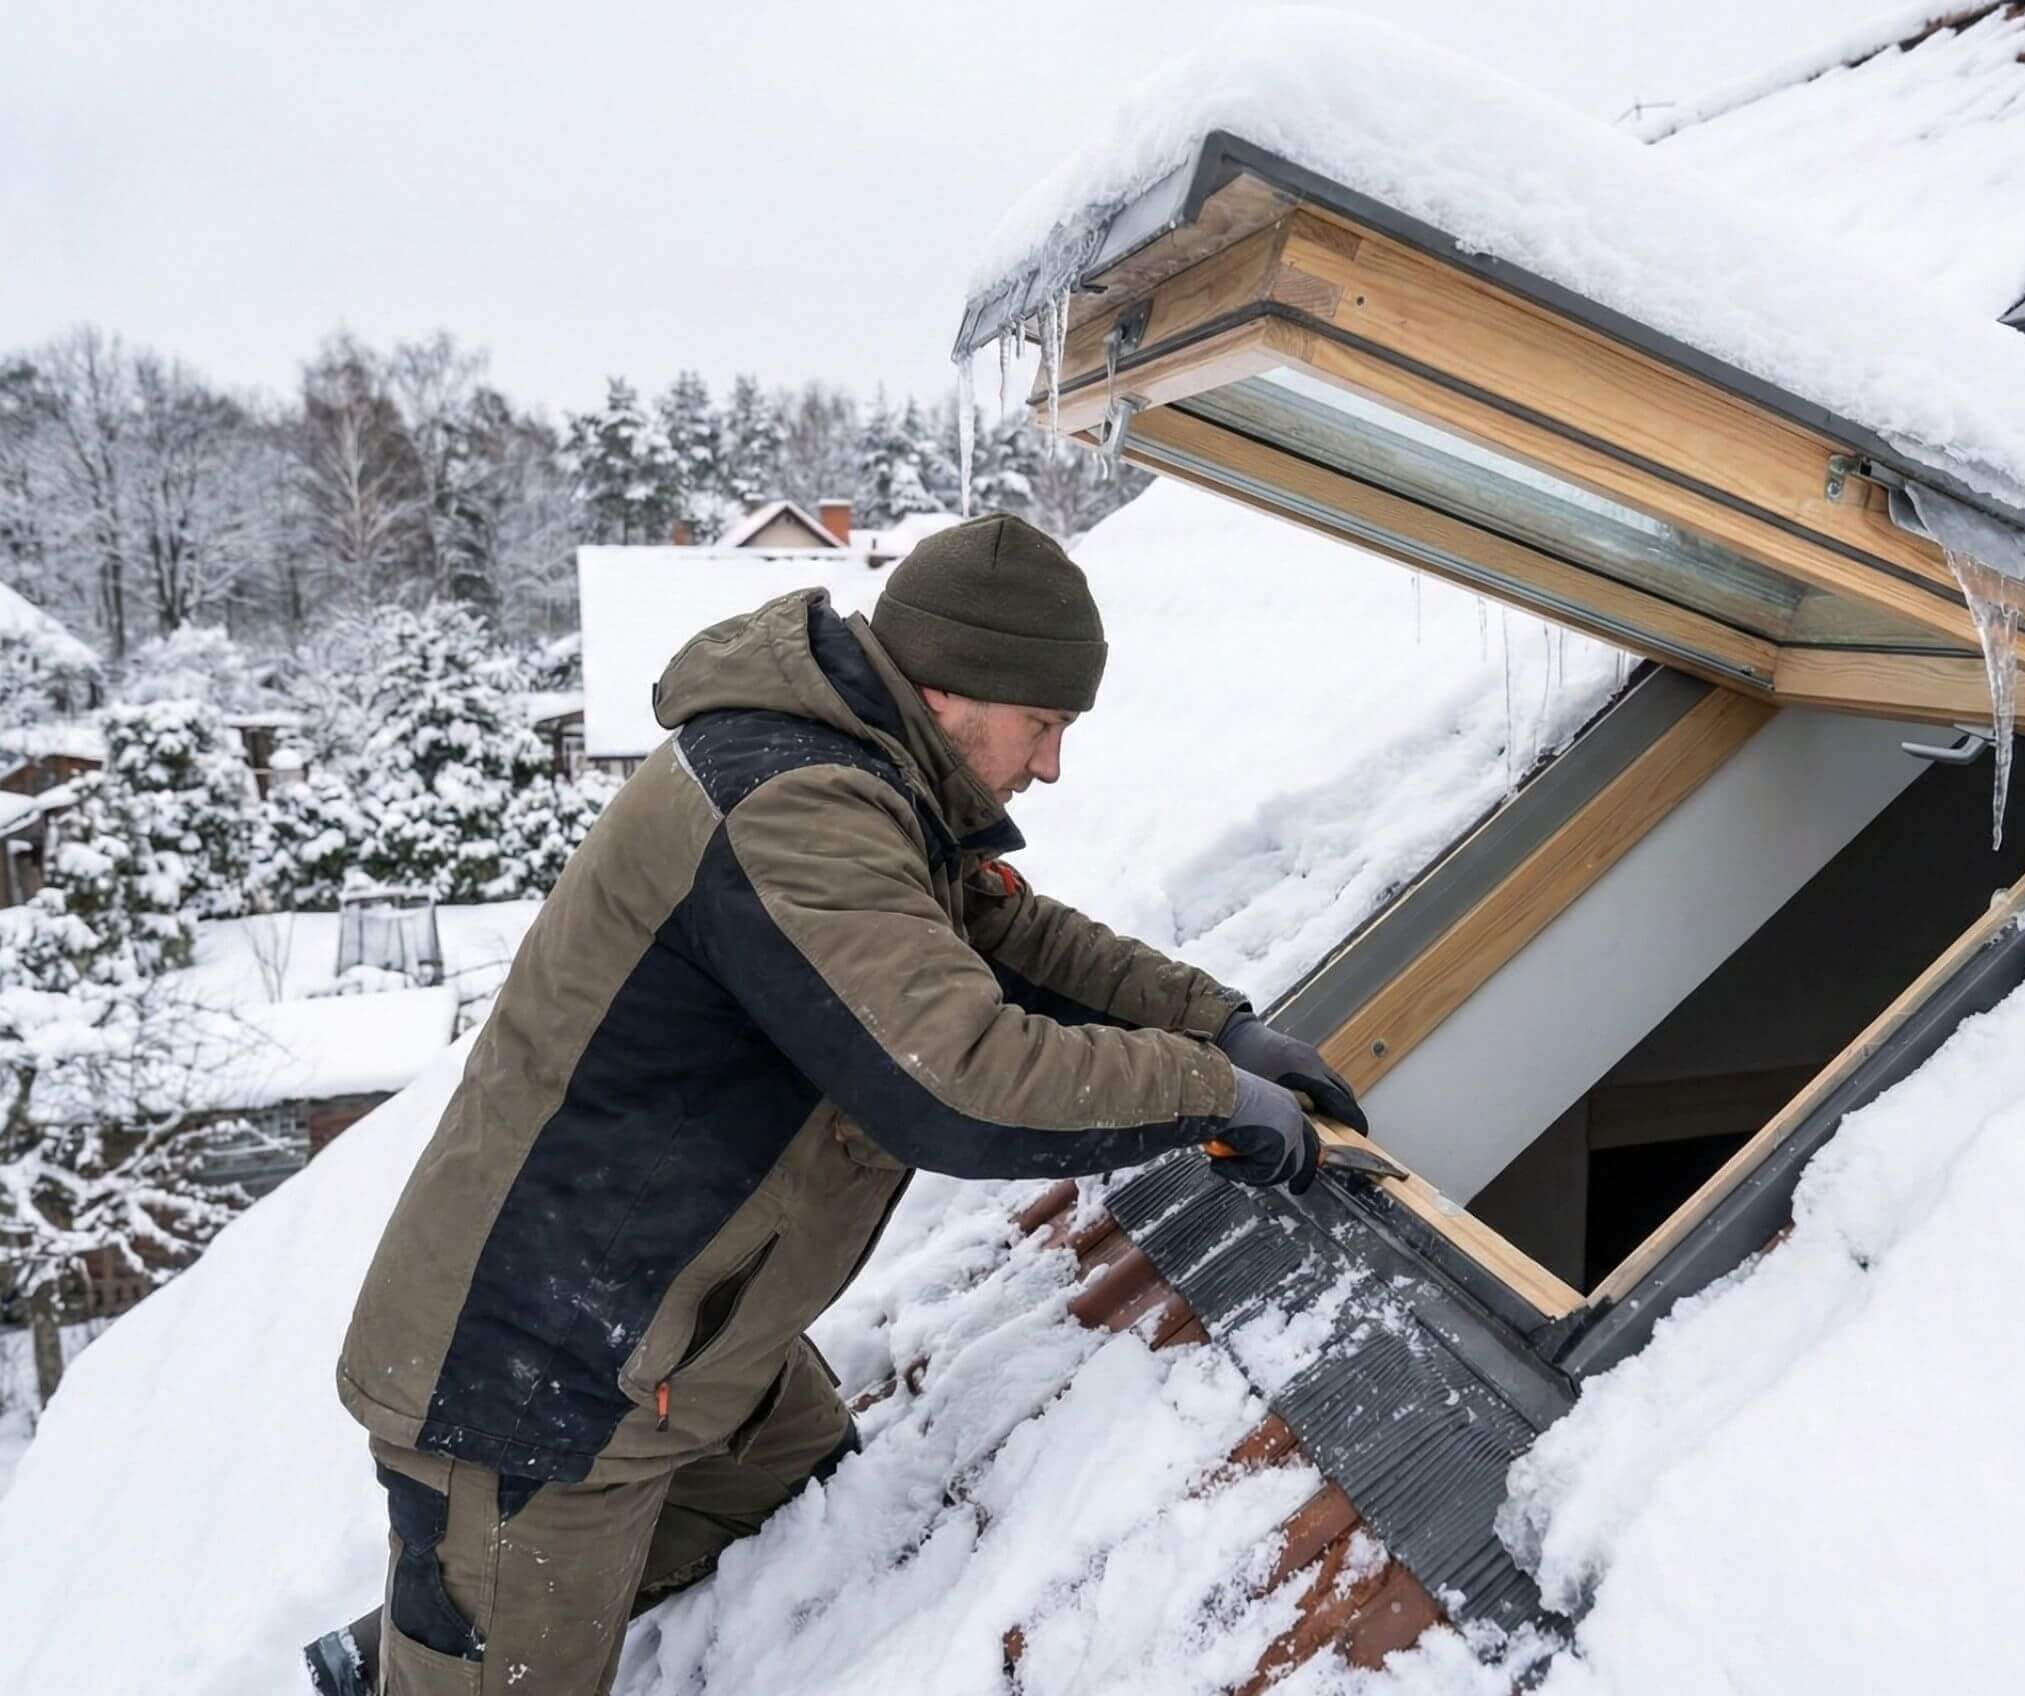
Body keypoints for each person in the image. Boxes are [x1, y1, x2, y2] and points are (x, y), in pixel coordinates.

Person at [303, 513, 1365, 1696]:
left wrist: (1215, 1021)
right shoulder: (794, 806)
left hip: (671, 1339)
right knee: (512, 1647)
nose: (1050, 764)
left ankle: (455, 1608)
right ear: (956, 688)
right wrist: (1209, 1095)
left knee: (802, 1489)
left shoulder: (860, 777)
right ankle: (451, 1617)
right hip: (540, 1377)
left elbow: (1009, 939)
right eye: (1044, 725)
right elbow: (955, 1078)